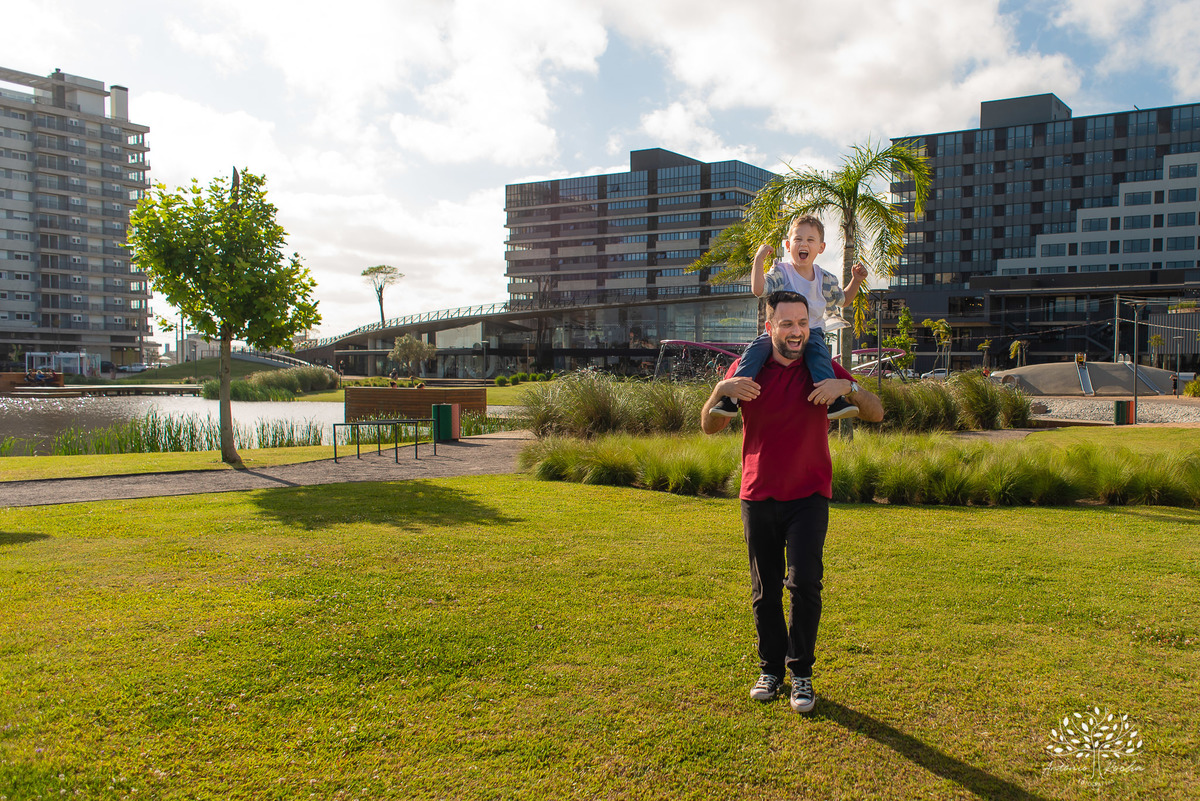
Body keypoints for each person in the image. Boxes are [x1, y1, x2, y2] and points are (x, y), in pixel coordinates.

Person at [701, 290, 884, 713]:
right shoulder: (748, 370)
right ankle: (770, 669)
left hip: (808, 495)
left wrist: (849, 386)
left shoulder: (822, 369)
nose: (796, 331)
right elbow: (709, 426)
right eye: (786, 324)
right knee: (764, 591)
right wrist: (719, 389)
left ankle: (801, 673)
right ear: (770, 328)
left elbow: (876, 413)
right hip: (758, 494)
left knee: (805, 586)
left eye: (802, 323)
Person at [712, 215, 867, 421]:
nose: (804, 244)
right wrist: (758, 260)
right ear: (788, 245)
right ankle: (731, 399)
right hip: (780, 332)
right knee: (754, 351)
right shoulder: (782, 272)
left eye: (810, 240)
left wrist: (856, 281)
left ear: (821, 247)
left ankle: (834, 401)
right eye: (798, 239)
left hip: (811, 331)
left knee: (819, 356)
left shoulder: (825, 279)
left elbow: (844, 300)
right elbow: (759, 289)